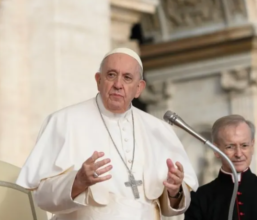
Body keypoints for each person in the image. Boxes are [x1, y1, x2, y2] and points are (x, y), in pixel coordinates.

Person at [16, 47, 198, 220]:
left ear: (139, 88)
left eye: (127, 78)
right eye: (111, 75)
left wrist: (175, 191)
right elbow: (42, 196)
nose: (118, 84)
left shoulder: (159, 129)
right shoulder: (63, 121)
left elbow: (176, 204)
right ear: (98, 80)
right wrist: (77, 181)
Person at [184, 115, 257, 220]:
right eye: (230, 147)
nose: (239, 154)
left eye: (244, 145)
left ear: (252, 146)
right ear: (216, 150)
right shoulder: (199, 198)